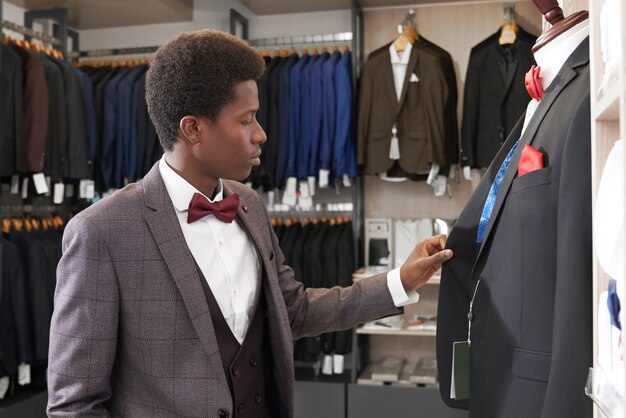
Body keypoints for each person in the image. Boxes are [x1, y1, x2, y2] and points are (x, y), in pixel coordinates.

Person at [47, 30, 453, 418]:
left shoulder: (249, 206)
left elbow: (294, 310)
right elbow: (75, 404)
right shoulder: (102, 232)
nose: (261, 134)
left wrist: (401, 280)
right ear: (193, 128)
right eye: (246, 121)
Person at [436, 7, 592, 418]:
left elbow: (579, 281)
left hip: (533, 394)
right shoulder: (543, 98)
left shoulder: (589, 93)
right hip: (498, 378)